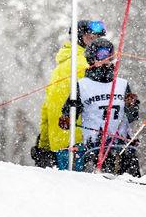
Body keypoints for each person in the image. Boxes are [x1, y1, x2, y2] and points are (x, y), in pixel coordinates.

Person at [38, 18, 106, 170]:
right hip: (85, 142)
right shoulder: (88, 65)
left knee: (69, 184)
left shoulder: (59, 68)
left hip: (60, 143)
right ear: (79, 38)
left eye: (98, 39)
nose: (96, 43)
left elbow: (47, 108)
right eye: (91, 38)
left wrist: (43, 144)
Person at [72, 37, 141, 175]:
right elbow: (70, 114)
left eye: (110, 54)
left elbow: (132, 117)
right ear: (92, 58)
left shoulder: (122, 84)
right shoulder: (82, 85)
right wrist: (66, 116)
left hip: (122, 146)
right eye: (102, 54)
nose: (107, 59)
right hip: (95, 147)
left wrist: (131, 106)